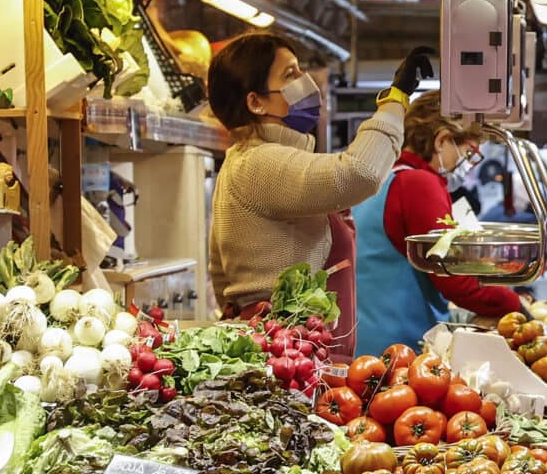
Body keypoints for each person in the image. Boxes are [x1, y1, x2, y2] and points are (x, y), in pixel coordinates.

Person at [207, 34, 433, 353]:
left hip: (293, 352)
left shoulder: (252, 160)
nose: (306, 82)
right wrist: (395, 100)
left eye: (300, 70)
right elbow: (359, 172)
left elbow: (220, 271)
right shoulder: (258, 162)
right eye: (290, 75)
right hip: (285, 358)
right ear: (256, 101)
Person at [353, 89, 523, 355]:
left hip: (366, 341)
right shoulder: (419, 183)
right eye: (468, 154)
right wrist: (516, 306)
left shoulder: (382, 177)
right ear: (442, 140)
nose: (467, 166)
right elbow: (454, 277)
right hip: (400, 349)